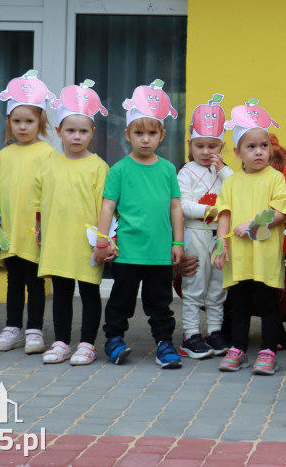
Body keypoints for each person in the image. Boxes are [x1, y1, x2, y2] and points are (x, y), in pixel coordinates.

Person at [97, 81, 185, 369]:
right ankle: (113, 339)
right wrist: (102, 239)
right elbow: (108, 206)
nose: (145, 139)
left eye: (151, 133)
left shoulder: (169, 169)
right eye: (138, 133)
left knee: (160, 304)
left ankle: (164, 343)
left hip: (159, 252)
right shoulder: (119, 169)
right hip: (127, 251)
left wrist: (178, 242)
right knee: (120, 300)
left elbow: (175, 207)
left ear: (161, 134)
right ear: (128, 134)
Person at [33, 80, 110, 365]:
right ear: (58, 132)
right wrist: (39, 232)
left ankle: (88, 343)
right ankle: (62, 342)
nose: (76, 136)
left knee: (89, 292)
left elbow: (107, 207)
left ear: (92, 133)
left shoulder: (99, 167)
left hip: (87, 243)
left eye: (83, 131)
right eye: (70, 130)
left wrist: (104, 240)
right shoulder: (50, 164)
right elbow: (38, 203)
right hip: (57, 240)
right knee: (62, 292)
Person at [213, 99, 286, 375]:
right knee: (240, 303)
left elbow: (281, 211)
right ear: (237, 151)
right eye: (251, 147)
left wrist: (252, 224)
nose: (259, 152)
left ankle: (268, 351)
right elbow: (224, 213)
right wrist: (221, 243)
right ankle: (238, 349)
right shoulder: (231, 181)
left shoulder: (275, 179)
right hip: (239, 256)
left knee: (269, 303)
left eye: (264, 146)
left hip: (266, 255)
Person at [0, 70, 56, 355]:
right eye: (17, 121)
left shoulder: (48, 153)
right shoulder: (4, 155)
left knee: (36, 283)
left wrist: (48, 228)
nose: (23, 127)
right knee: (14, 281)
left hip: (36, 232)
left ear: (40, 121)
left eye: (29, 121)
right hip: (10, 231)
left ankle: (35, 330)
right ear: (8, 123)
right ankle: (12, 327)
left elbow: (53, 194)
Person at [178, 94, 234, 359]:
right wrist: (210, 210)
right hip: (196, 234)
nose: (206, 152)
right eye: (200, 146)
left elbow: (236, 190)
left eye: (213, 146)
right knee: (195, 284)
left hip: (219, 236)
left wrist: (223, 170)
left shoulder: (223, 171)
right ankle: (190, 334)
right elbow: (183, 205)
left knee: (217, 285)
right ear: (190, 144)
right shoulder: (186, 171)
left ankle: (214, 331)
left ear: (222, 145)